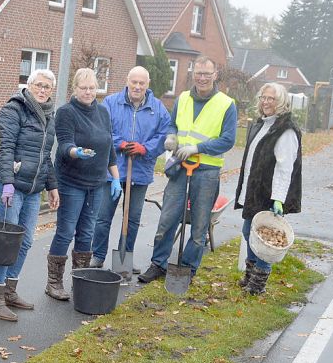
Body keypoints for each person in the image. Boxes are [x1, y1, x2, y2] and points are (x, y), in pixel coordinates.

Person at [138, 56, 237, 284]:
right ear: (193, 74)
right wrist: (171, 136)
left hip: (207, 171)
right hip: (180, 168)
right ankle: (158, 264)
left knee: (200, 225)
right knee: (168, 219)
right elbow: (173, 124)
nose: (202, 78)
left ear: (215, 75)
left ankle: (188, 270)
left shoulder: (226, 104)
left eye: (207, 74)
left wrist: (197, 148)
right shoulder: (182, 98)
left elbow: (228, 140)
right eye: (198, 73)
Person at [0, 68, 61, 321]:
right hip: (12, 186)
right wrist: (6, 183)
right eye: (38, 85)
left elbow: (46, 157)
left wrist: (52, 186)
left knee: (26, 240)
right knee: (5, 243)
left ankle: (9, 291)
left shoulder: (50, 116)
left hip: (33, 189)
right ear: (28, 86)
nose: (42, 90)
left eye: (47, 87)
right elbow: (5, 149)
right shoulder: (13, 110)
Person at [44, 68, 121, 300]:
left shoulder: (103, 112)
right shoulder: (66, 112)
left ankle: (80, 279)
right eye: (83, 88)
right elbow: (65, 145)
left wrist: (115, 177)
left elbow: (109, 149)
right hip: (72, 182)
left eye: (92, 88)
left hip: (97, 184)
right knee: (66, 231)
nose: (88, 92)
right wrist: (77, 152)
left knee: (87, 232)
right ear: (75, 89)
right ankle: (54, 282)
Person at [91, 66, 172, 271]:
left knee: (133, 218)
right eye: (134, 82)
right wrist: (120, 143)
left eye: (141, 83)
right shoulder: (111, 103)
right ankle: (98, 256)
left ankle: (124, 258)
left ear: (147, 84)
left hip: (140, 172)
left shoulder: (158, 108)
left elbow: (164, 135)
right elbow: (103, 129)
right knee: (103, 217)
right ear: (127, 81)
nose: (137, 86)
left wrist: (145, 148)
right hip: (113, 170)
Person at [234, 82, 302, 294]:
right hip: (254, 190)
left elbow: (285, 168)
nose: (266, 102)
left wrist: (278, 198)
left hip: (268, 193)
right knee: (249, 232)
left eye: (271, 98)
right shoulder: (261, 124)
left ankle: (257, 283)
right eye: (263, 97)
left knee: (264, 238)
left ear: (280, 102)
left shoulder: (286, 130)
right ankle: (250, 275)